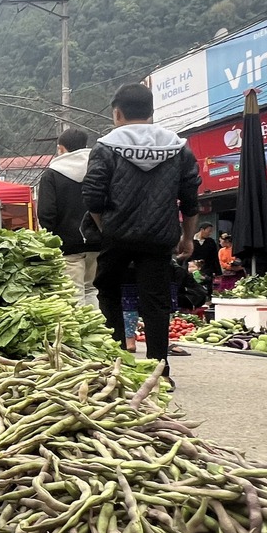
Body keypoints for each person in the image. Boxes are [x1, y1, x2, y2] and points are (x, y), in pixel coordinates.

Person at [83, 83, 201, 385]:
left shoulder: (105, 147)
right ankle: (159, 372)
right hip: (159, 238)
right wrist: (187, 237)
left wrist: (107, 228)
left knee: (108, 291)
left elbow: (93, 198)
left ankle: (116, 366)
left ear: (117, 113)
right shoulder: (178, 147)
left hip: (117, 236)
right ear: (151, 112)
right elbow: (190, 199)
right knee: (156, 301)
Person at [37, 128, 102, 307]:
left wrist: (50, 240)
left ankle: (82, 325)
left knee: (74, 293)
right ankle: (98, 324)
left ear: (61, 148)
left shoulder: (52, 174)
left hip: (68, 245)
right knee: (92, 290)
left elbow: (46, 213)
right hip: (97, 242)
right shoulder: (97, 169)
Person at [190, 222, 222, 294]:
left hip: (207, 269)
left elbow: (214, 257)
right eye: (209, 231)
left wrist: (218, 272)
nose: (210, 233)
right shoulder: (191, 241)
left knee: (207, 289)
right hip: (192, 269)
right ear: (202, 230)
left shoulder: (211, 242)